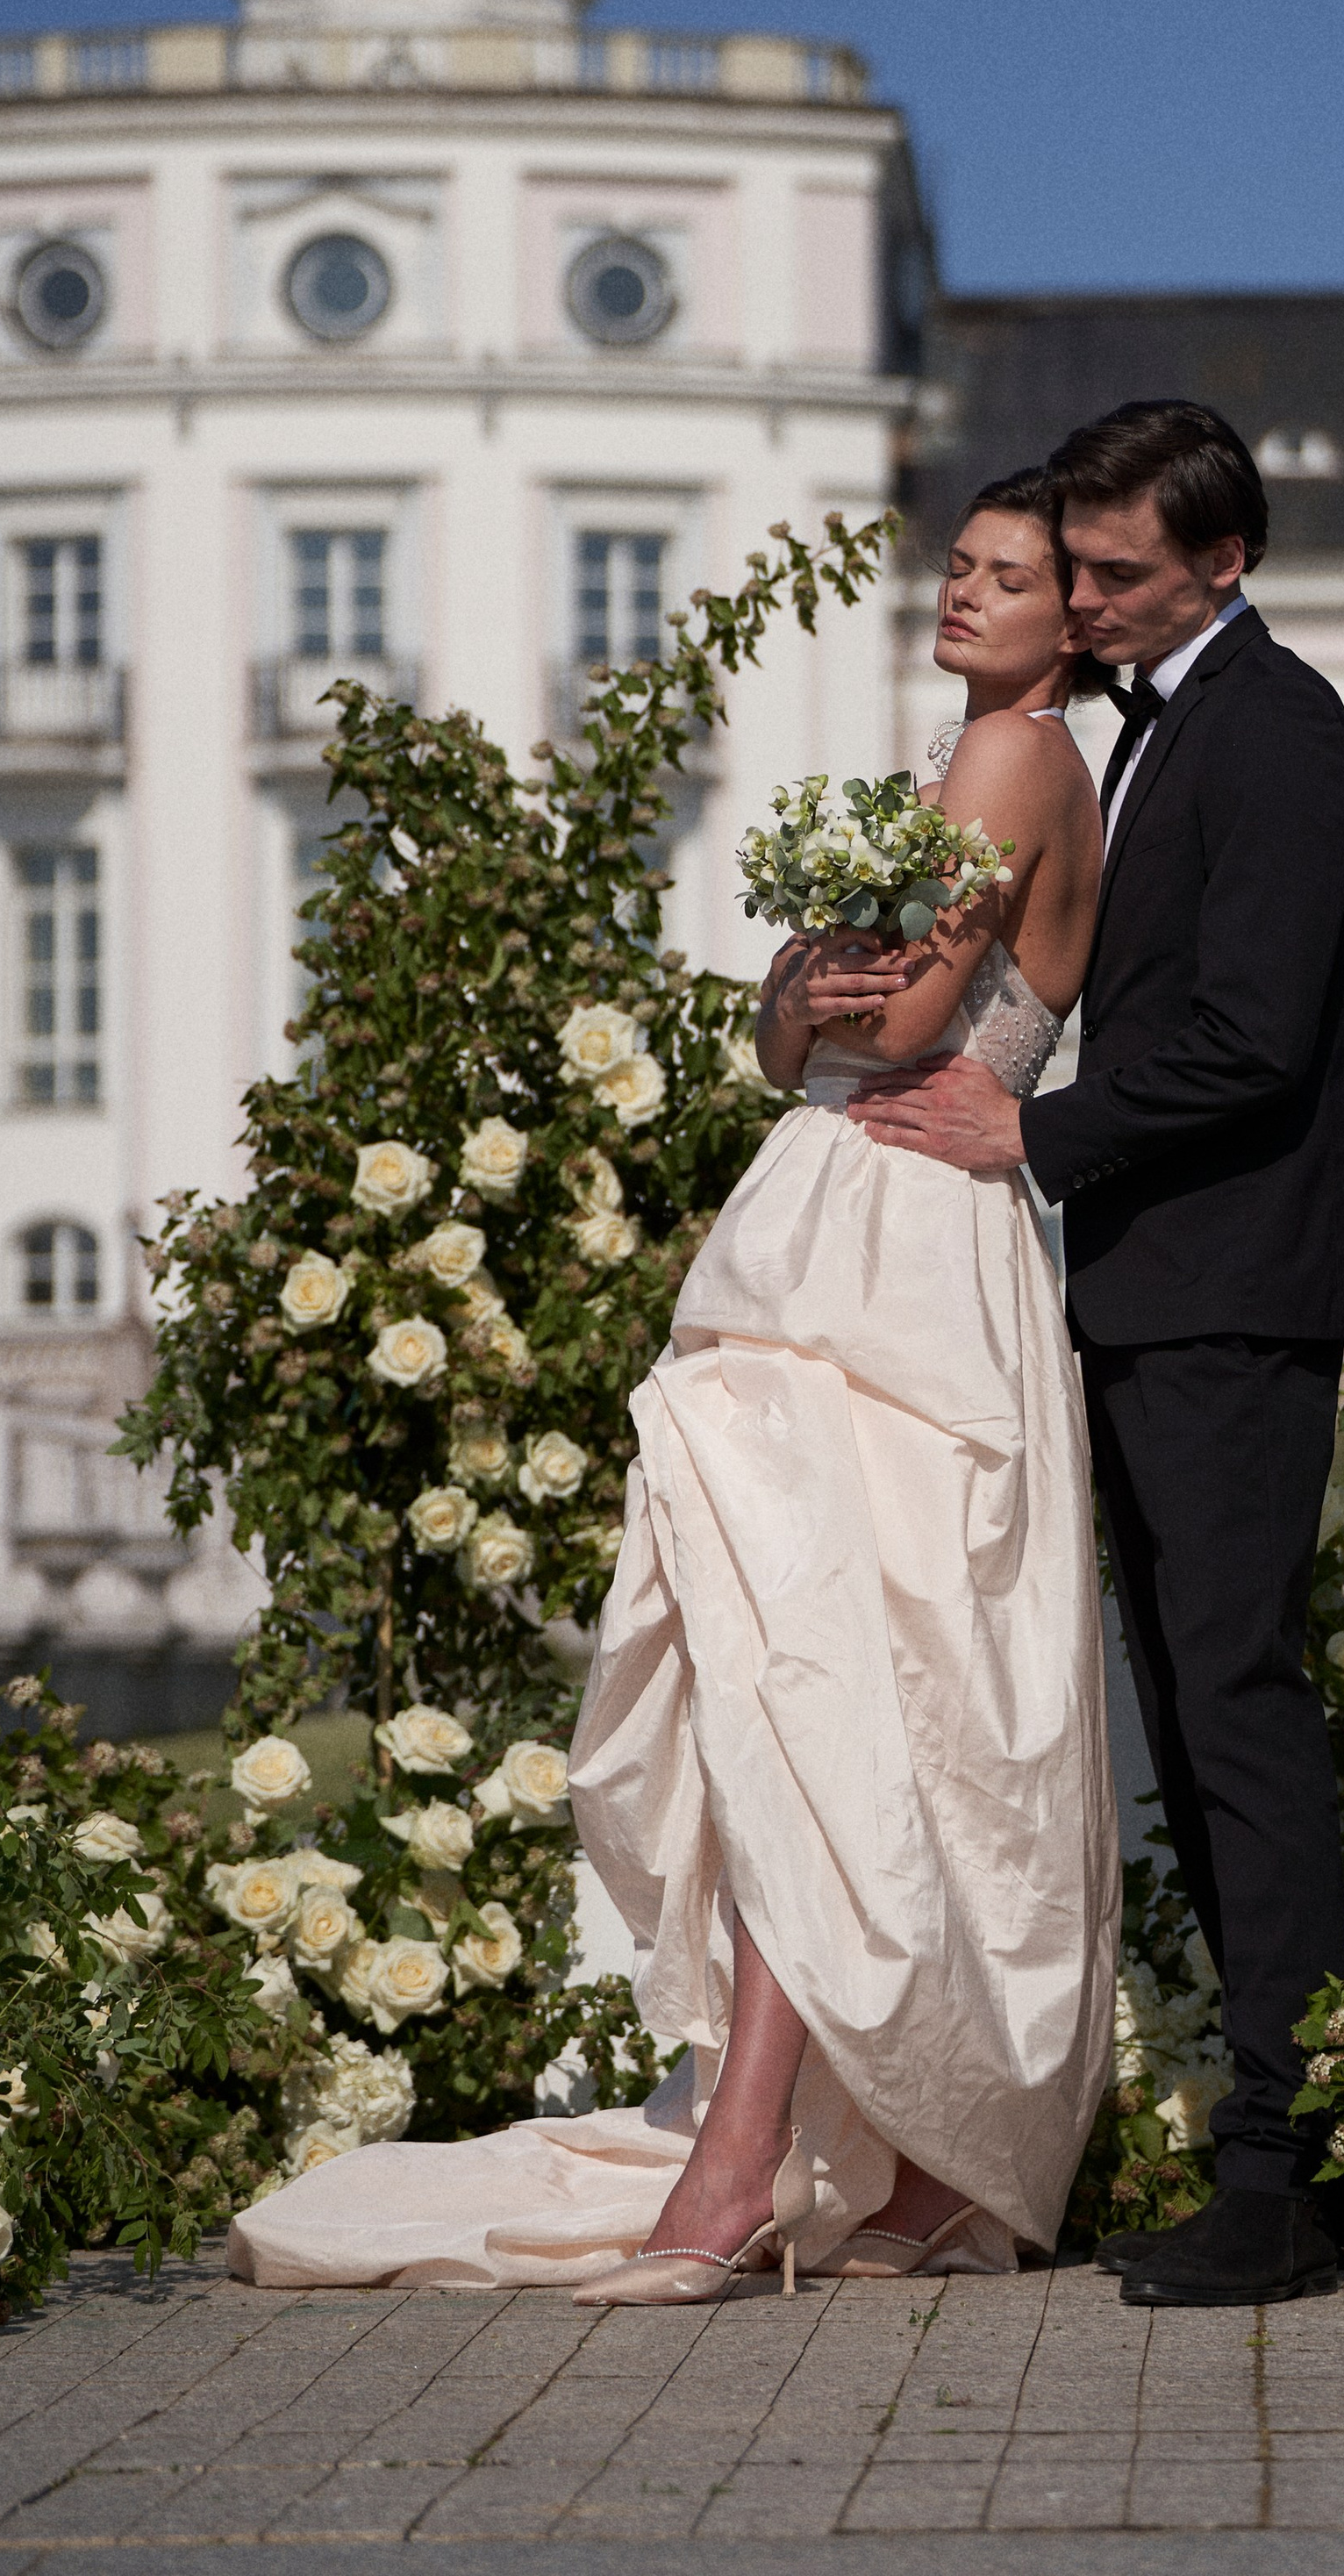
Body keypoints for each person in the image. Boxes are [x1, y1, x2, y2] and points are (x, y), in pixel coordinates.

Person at [227, 470, 1119, 2301]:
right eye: (954, 564)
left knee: (830, 1689)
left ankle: (751, 2162)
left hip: (906, 1242)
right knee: (789, 1681)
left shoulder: (1021, 762)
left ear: (1070, 621)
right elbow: (784, 1024)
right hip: (835, 1221)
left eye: (1008, 577)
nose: (961, 593)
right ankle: (836, 2162)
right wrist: (810, 999)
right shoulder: (945, 763)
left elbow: (878, 1021)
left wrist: (816, 995)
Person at [852, 400, 1344, 2309]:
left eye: (1114, 574)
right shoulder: (1138, 733)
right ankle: (1262, 2146)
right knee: (1195, 1705)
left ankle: (1287, 2172)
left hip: (1235, 1297)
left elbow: (1252, 1035)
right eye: (1067, 568)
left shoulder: (1282, 728)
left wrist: (1033, 1137)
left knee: (1236, 1710)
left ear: (1223, 562)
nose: (1081, 601)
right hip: (1145, 1291)